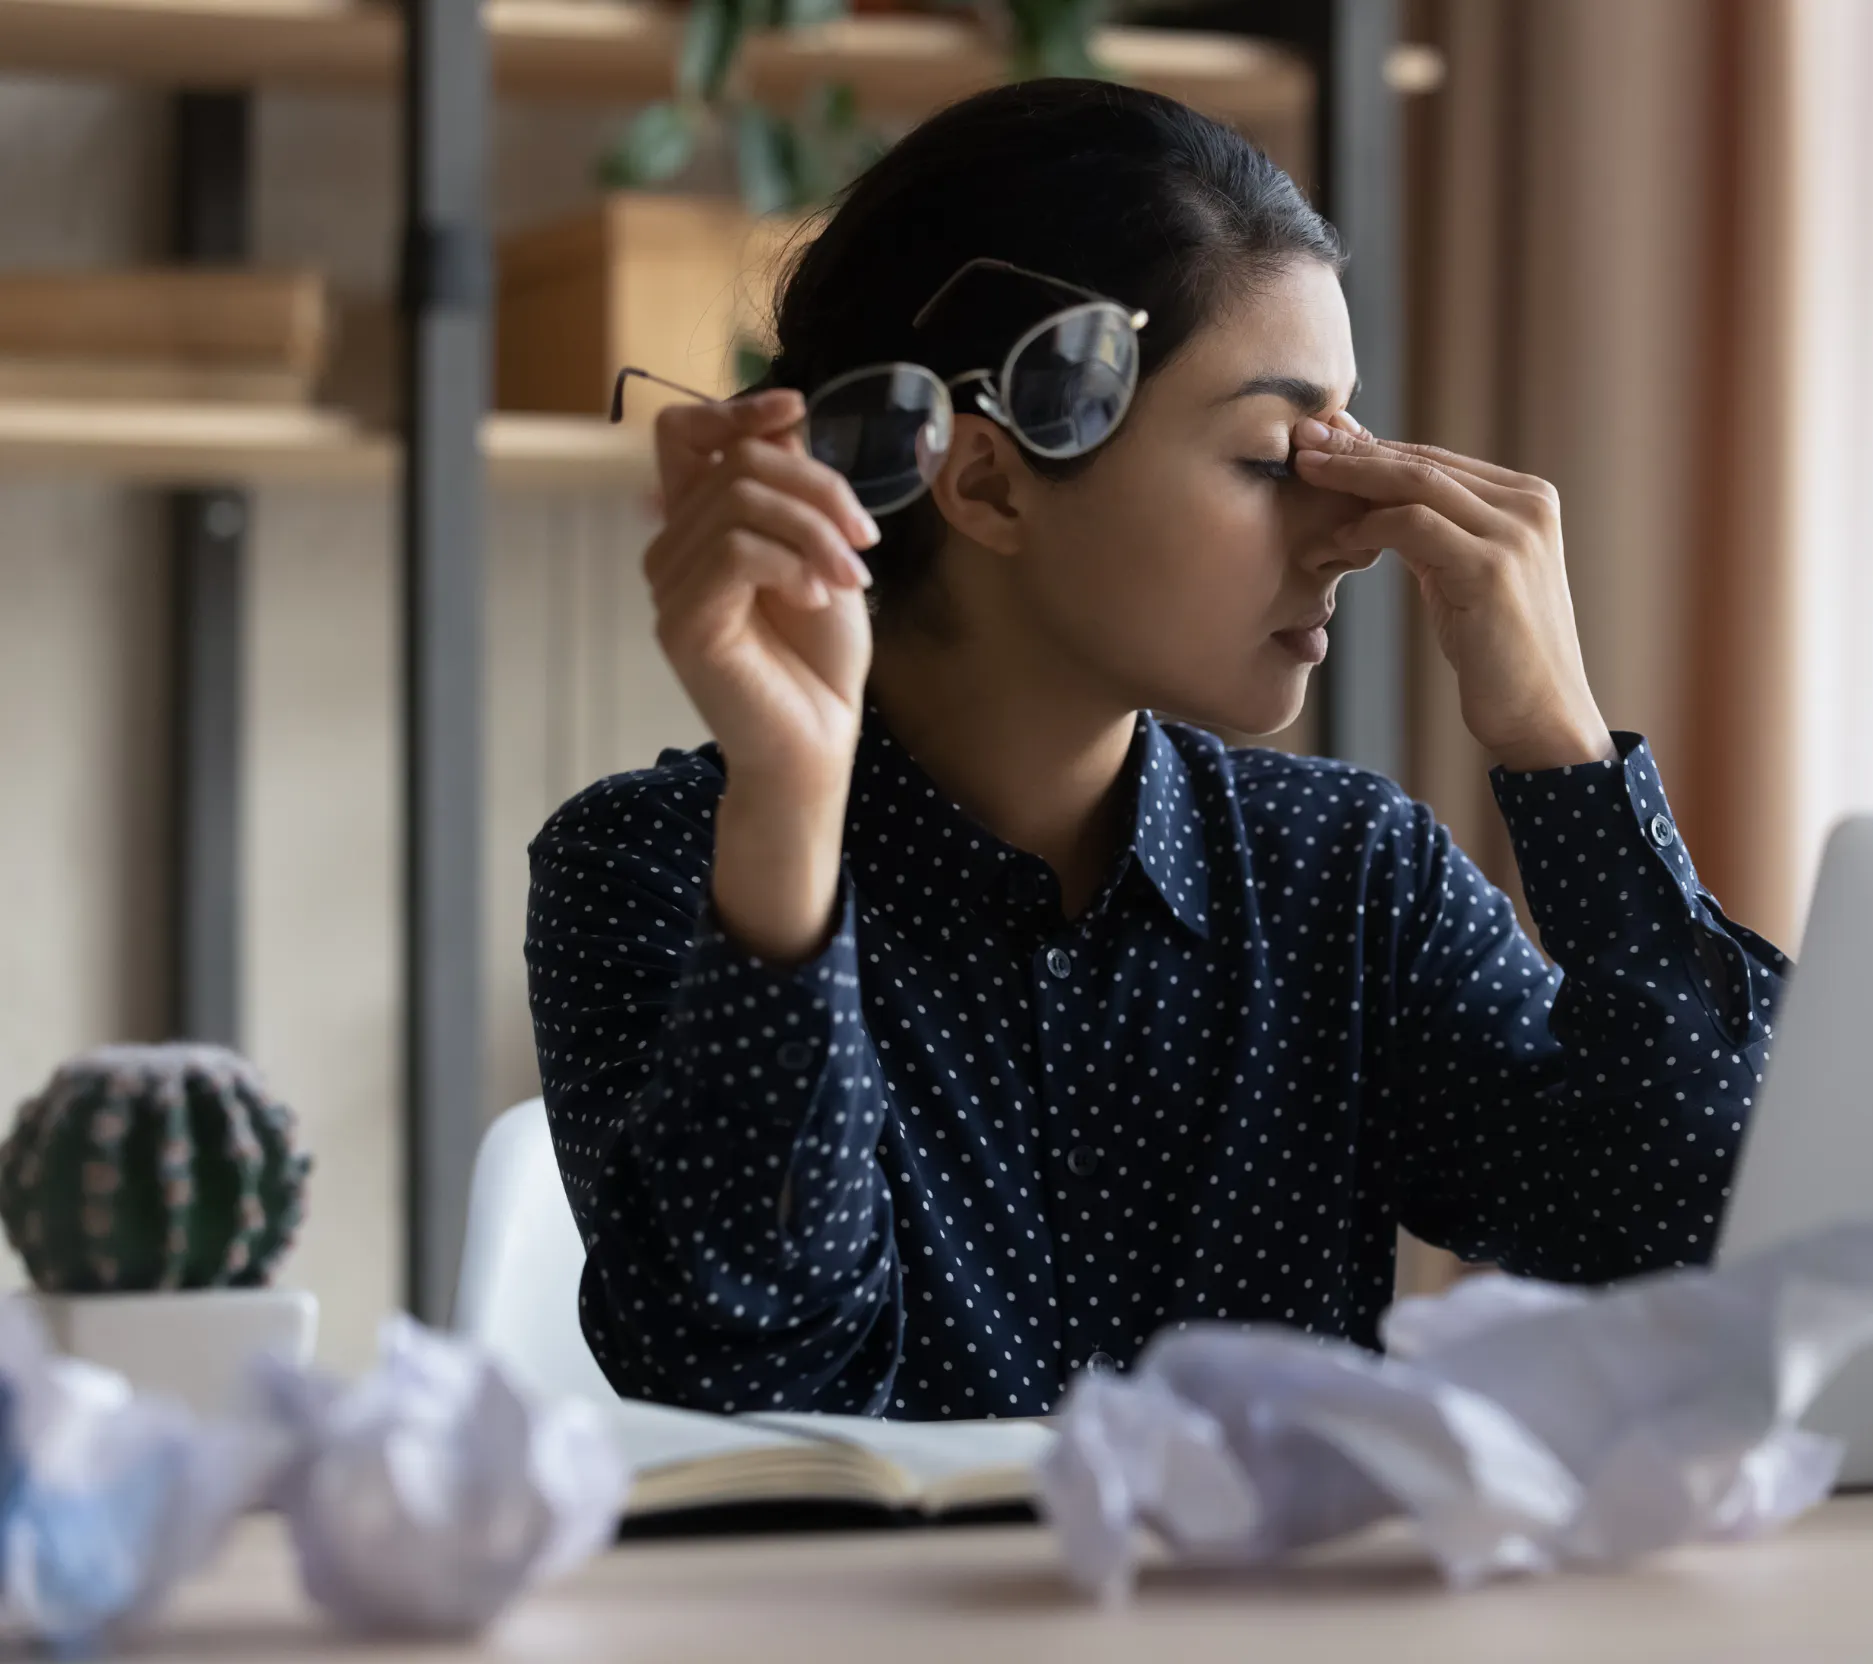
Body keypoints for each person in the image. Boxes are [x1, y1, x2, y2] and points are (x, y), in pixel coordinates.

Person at [524, 78, 1790, 1421]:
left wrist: (1562, 750)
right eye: (1273, 454)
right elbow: (744, 1379)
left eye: (1343, 440)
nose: (1351, 523)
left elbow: (1706, 1241)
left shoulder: (1350, 878)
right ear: (991, 482)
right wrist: (785, 801)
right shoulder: (652, 868)